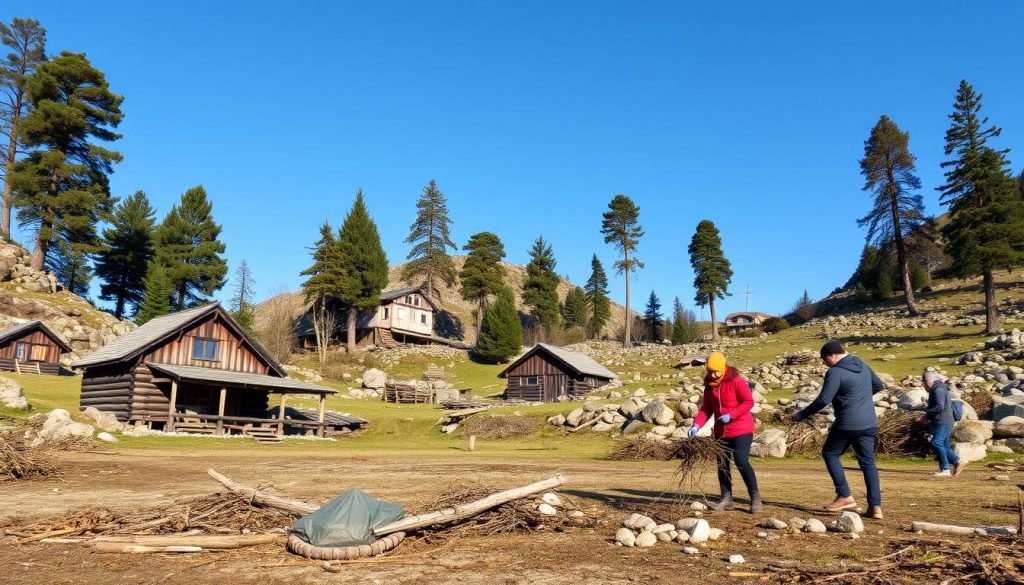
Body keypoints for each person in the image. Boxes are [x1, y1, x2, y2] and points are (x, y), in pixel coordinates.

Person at [790, 341, 884, 519]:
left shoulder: (835, 372)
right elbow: (878, 385)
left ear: (831, 355)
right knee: (867, 462)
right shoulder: (862, 366)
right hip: (869, 422)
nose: (825, 363)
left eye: (824, 360)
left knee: (830, 453)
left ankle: (844, 496)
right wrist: (860, 397)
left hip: (848, 422)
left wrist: (801, 414)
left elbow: (823, 399)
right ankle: (875, 507)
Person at [688, 351, 762, 513]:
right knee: (722, 465)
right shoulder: (709, 385)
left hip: (742, 428)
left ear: (723, 368)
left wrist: (732, 414)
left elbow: (748, 402)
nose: (713, 374)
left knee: (741, 462)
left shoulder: (736, 380)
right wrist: (696, 425)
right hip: (722, 432)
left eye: (716, 371)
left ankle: (755, 498)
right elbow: (706, 409)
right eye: (710, 371)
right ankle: (726, 499)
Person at [920, 368, 964, 477]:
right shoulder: (938, 388)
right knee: (945, 445)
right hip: (941, 420)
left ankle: (952, 465)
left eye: (924, 383)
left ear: (928, 381)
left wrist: (925, 416)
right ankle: (944, 468)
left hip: (943, 421)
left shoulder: (938, 390)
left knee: (936, 442)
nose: (924, 386)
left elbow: (939, 406)